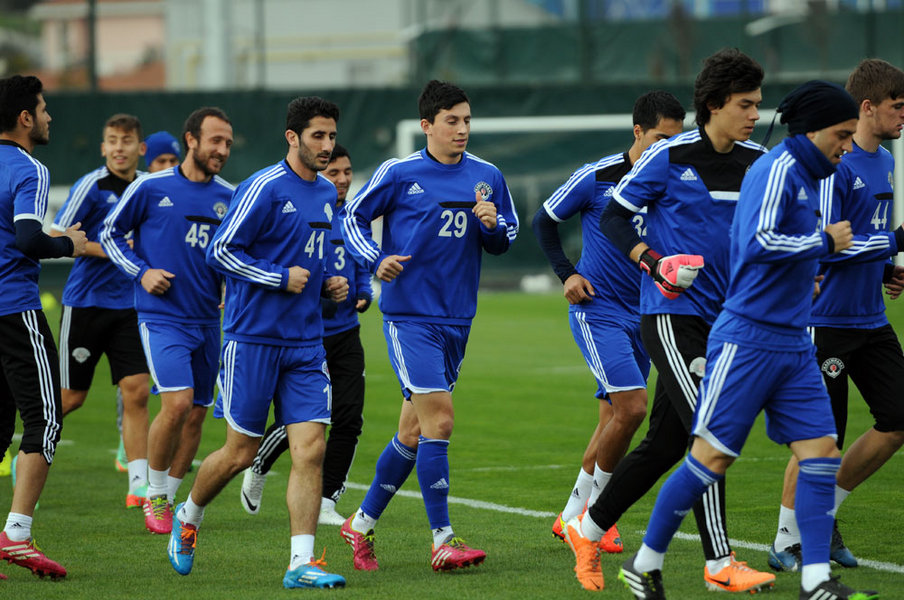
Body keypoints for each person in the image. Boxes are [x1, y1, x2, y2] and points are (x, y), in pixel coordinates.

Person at [617, 80, 881, 600]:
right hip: (748, 341)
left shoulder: (812, 174)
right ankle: (644, 564)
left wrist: (814, 267)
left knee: (822, 455)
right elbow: (757, 241)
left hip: (794, 343)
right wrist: (821, 243)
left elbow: (789, 248)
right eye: (842, 134)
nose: (848, 145)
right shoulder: (775, 168)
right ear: (814, 130)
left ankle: (815, 580)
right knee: (708, 460)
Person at [564, 48, 775, 593]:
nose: (755, 114)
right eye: (745, 104)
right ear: (714, 104)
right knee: (711, 427)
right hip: (670, 315)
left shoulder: (759, 161)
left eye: (758, 104)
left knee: (663, 445)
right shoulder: (667, 155)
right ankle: (719, 562)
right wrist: (652, 261)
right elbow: (614, 216)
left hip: (727, 323)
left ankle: (587, 528)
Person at [166, 96, 348, 589]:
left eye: (331, 136)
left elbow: (314, 255)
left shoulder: (326, 193)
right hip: (252, 341)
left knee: (310, 449)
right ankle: (189, 514)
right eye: (317, 135)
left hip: (306, 343)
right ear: (292, 137)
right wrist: (277, 277)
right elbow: (220, 250)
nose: (326, 145)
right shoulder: (263, 187)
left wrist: (329, 282)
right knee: (240, 453)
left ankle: (300, 563)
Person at [339, 79, 519, 572]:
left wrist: (492, 225)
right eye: (451, 121)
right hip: (409, 317)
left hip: (457, 318)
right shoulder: (399, 173)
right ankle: (442, 538)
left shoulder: (487, 176)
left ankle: (360, 524)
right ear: (427, 125)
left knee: (414, 432)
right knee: (440, 420)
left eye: (467, 120)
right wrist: (375, 259)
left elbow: (506, 236)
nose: (462, 129)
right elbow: (351, 218)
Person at [532, 91, 685, 558]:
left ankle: (571, 515)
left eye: (675, 140)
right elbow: (544, 221)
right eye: (660, 139)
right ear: (638, 132)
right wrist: (567, 273)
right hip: (598, 310)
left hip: (648, 314)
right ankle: (597, 516)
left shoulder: (674, 181)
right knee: (633, 409)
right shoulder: (596, 176)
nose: (667, 149)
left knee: (614, 420)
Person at [768, 58, 904, 572]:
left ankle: (821, 517)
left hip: (871, 319)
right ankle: (787, 540)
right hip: (826, 322)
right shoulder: (836, 166)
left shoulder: (885, 160)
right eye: (897, 106)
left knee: (898, 420)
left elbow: (866, 236)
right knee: (823, 439)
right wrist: (894, 242)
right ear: (868, 107)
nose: (903, 115)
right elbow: (825, 245)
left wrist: (887, 268)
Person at [101, 107, 234, 534]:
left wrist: (228, 287)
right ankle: (154, 495)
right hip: (161, 318)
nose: (222, 150)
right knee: (176, 404)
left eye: (228, 143)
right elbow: (109, 234)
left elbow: (234, 252)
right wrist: (142, 272)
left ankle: (171, 498)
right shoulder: (150, 187)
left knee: (196, 414)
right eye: (215, 141)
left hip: (207, 322)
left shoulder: (230, 196)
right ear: (191, 140)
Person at [239, 144, 373, 526]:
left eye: (347, 172)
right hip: (306, 334)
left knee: (349, 418)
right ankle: (259, 463)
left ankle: (328, 500)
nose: (342, 179)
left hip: (346, 333)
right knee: (302, 422)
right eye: (335, 173)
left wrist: (364, 291)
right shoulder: (304, 208)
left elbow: (360, 262)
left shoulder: (352, 218)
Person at [0, 74, 87, 579]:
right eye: (44, 108)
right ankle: (16, 535)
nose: (49, 116)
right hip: (14, 309)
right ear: (25, 117)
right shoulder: (27, 168)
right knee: (45, 420)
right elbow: (29, 239)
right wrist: (68, 244)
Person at [50, 113, 151, 509]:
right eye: (112, 140)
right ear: (103, 147)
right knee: (71, 398)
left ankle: (139, 488)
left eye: (127, 140)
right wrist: (114, 250)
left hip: (131, 306)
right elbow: (58, 233)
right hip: (86, 304)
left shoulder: (147, 187)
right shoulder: (91, 186)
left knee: (136, 391)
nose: (119, 148)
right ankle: (23, 450)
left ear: (140, 148)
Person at [112, 129, 183, 473]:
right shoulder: (140, 190)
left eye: (173, 160)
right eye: (161, 160)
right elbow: (108, 235)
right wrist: (142, 270)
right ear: (147, 160)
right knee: (75, 396)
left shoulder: (187, 192)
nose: (167, 166)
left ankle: (146, 461)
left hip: (168, 307)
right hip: (105, 302)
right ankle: (128, 446)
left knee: (153, 390)